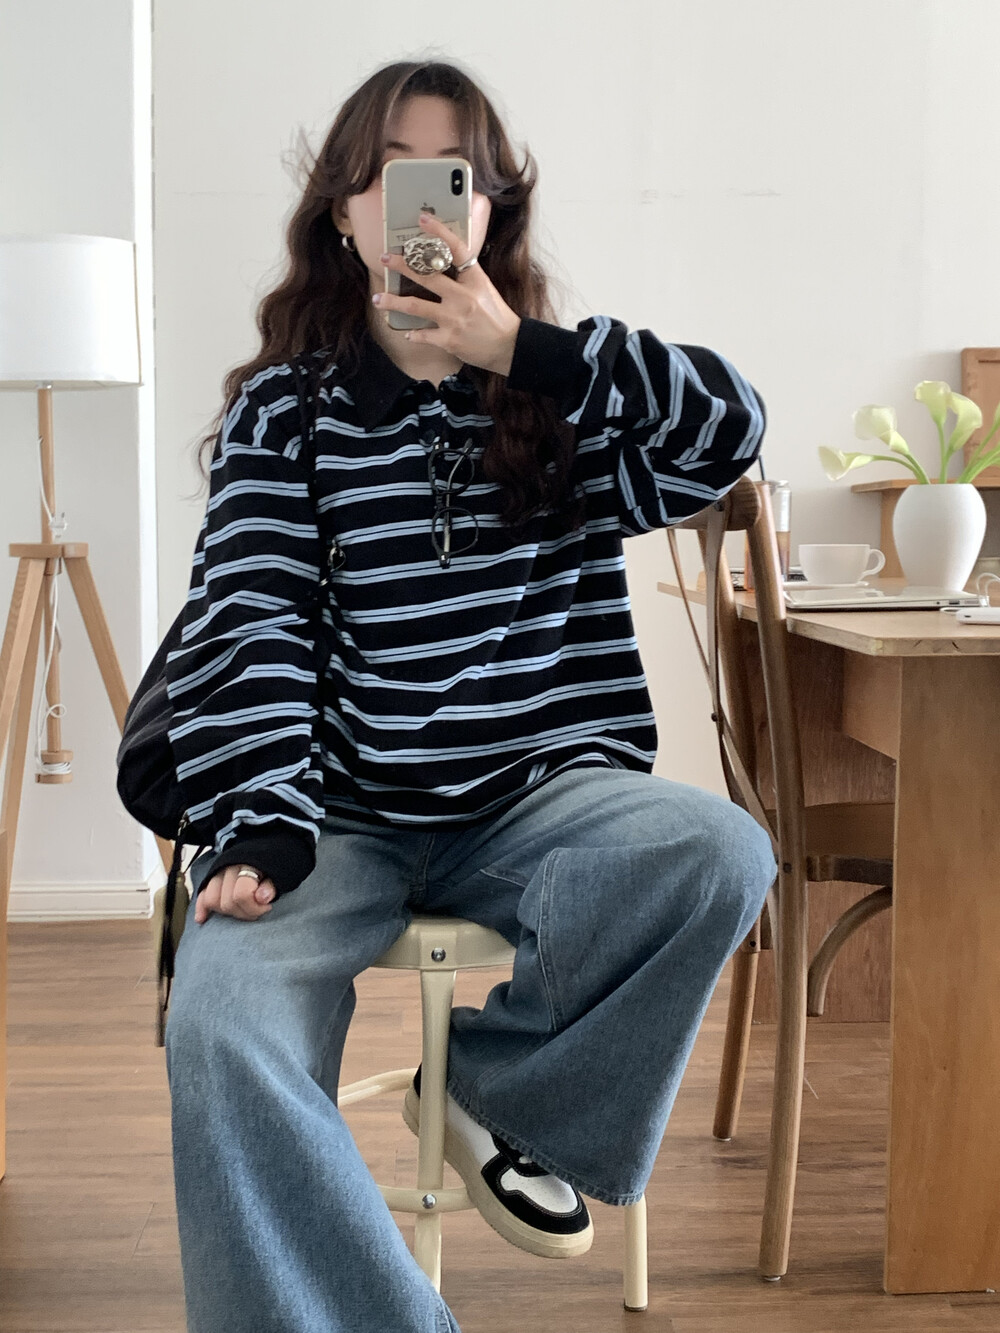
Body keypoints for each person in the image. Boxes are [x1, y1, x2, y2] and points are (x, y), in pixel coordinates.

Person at [162, 56, 775, 1333]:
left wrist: (525, 351)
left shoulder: (562, 398)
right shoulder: (286, 414)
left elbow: (731, 431)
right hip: (333, 814)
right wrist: (263, 816)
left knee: (723, 851)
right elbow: (251, 618)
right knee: (220, 1021)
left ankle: (494, 1094)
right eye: (393, 175)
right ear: (345, 210)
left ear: (491, 213)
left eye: (456, 179)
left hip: (534, 803)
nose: (425, 206)